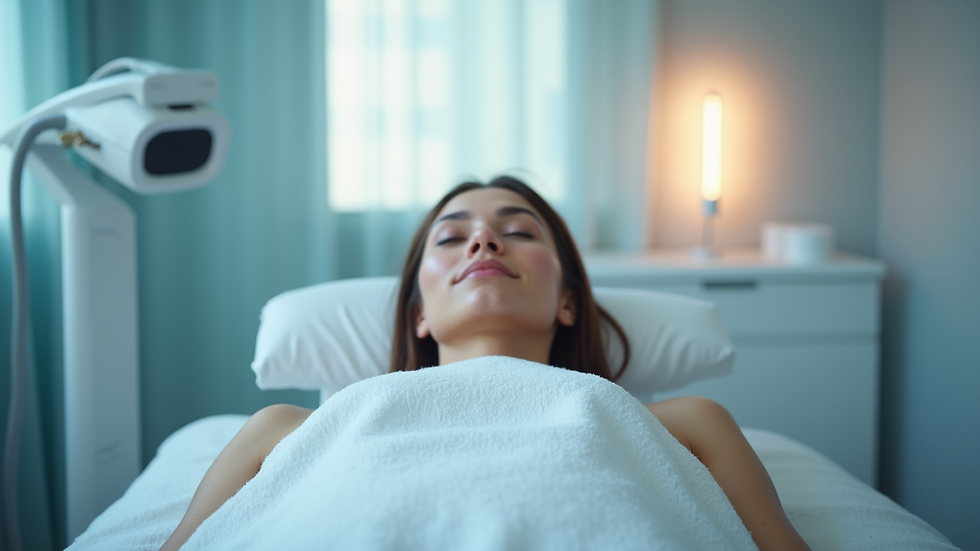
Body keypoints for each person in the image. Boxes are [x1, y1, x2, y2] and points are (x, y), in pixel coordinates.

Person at [161, 176, 811, 551]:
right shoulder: (283, 431)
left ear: (566, 300)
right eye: (451, 235)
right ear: (418, 312)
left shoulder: (690, 425)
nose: (483, 238)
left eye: (520, 229)